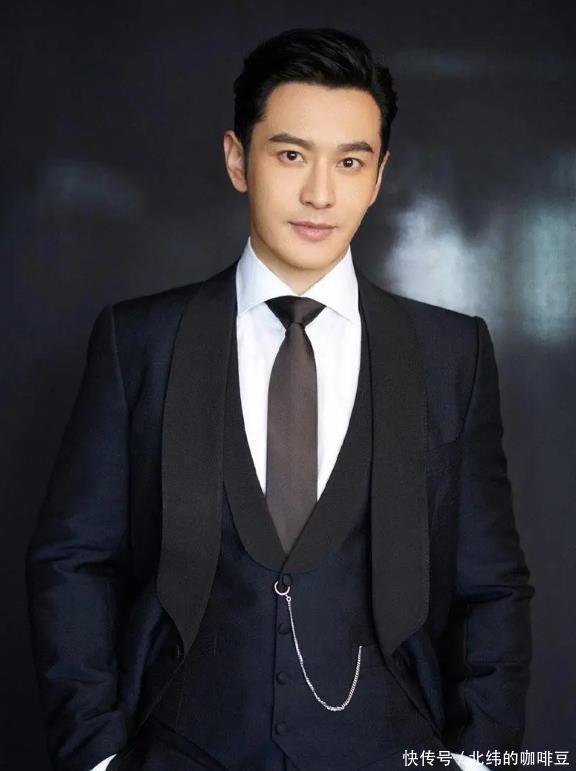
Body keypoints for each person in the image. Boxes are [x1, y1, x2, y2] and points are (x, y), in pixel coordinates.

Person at [25, 27, 534, 771]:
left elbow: (492, 587)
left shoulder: (451, 354)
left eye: (350, 161)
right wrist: (98, 757)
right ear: (238, 159)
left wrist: (476, 759)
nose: (320, 193)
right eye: (291, 155)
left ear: (379, 176)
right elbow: (73, 562)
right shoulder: (139, 342)